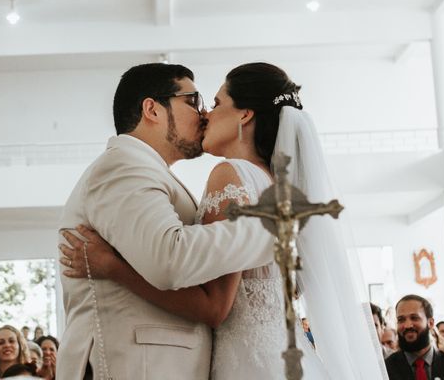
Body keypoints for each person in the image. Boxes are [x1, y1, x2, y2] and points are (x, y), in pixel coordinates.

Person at [60, 62, 385, 378]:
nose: (204, 113)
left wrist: (113, 267)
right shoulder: (128, 165)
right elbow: (170, 258)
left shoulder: (232, 176)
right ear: (152, 109)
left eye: (213, 103)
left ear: (244, 115)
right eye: (195, 101)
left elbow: (212, 303)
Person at [385, 295, 444, 379]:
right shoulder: (386, 368)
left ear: (430, 323)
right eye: (401, 320)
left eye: (414, 318)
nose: (407, 325)